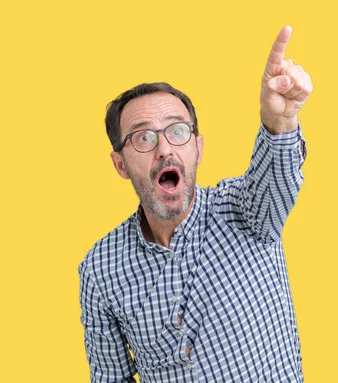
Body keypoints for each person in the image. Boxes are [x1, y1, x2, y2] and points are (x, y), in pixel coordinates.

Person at [78, 26, 313, 382]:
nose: (164, 149)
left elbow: (276, 181)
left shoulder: (246, 209)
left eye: (177, 131)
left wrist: (279, 121)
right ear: (121, 164)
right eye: (143, 137)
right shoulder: (100, 269)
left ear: (197, 147)